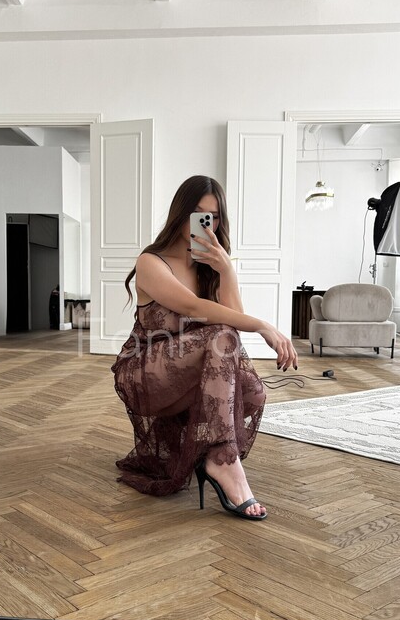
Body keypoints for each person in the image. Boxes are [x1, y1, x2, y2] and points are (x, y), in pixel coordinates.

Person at [111, 175, 298, 520]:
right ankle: (223, 460)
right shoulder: (151, 261)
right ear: (180, 213)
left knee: (253, 394)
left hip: (189, 371)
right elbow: (195, 308)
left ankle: (210, 453)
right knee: (220, 336)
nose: (205, 223)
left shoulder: (208, 268)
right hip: (144, 371)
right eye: (198, 214)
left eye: (213, 216)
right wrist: (264, 326)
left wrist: (226, 270)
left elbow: (232, 324)